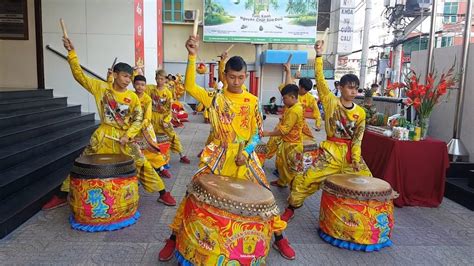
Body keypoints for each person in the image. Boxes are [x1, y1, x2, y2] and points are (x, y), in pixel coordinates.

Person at [157, 35, 296, 262]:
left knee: (267, 197)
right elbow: (190, 86)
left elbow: (256, 132)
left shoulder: (252, 101)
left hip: (245, 156)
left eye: (241, 77)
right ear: (225, 75)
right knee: (192, 192)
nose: (237, 82)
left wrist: (246, 151)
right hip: (219, 155)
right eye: (232, 77)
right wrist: (192, 56)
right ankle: (174, 237)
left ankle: (279, 237)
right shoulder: (215, 98)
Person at [42, 37, 176, 210]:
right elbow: (80, 76)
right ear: (115, 74)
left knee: (142, 163)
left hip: (125, 138)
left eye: (130, 77)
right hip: (102, 137)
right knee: (82, 164)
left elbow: (137, 118)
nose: (128, 80)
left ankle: (163, 193)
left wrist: (128, 135)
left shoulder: (133, 97)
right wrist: (71, 53)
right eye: (125, 76)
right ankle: (62, 195)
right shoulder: (101, 89)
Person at [280, 40, 372, 222]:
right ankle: (291, 207)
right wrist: (319, 55)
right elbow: (320, 79)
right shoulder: (330, 101)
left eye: (356, 88)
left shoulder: (360, 113)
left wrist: (355, 158)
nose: (353, 91)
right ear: (341, 87)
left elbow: (358, 139)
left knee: (368, 183)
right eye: (349, 87)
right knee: (304, 180)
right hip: (330, 153)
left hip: (349, 157)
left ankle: (364, 221)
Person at [262, 84, 304, 190]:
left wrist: (268, 133)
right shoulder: (292, 107)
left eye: (285, 98)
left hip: (292, 144)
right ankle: (282, 181)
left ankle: (295, 196)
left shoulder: (295, 110)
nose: (283, 101)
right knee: (281, 164)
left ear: (293, 97)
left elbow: (284, 130)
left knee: (291, 169)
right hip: (287, 142)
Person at [145, 69, 190, 164]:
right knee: (151, 138)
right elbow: (139, 85)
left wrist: (166, 120)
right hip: (152, 118)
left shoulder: (168, 93)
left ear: (165, 79)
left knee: (173, 136)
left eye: (161, 79)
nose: (159, 81)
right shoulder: (150, 89)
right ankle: (155, 159)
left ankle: (182, 155)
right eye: (157, 78)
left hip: (163, 118)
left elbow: (169, 109)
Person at [133, 75, 172, 179]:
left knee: (152, 150)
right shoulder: (131, 96)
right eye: (137, 84)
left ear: (146, 87)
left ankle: (161, 168)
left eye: (142, 85)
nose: (140, 87)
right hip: (131, 128)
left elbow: (147, 116)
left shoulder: (147, 99)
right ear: (133, 85)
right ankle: (136, 175)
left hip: (144, 128)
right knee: (135, 151)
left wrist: (141, 125)